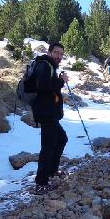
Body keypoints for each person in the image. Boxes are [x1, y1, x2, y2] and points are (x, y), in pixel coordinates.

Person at [30, 42, 69, 194]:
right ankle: (41, 183)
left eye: (61, 54)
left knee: (61, 139)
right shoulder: (44, 65)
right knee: (48, 146)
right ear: (50, 52)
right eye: (56, 52)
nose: (59, 56)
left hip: (49, 111)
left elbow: (48, 85)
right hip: (46, 112)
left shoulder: (49, 66)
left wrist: (58, 81)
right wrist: (61, 81)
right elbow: (43, 85)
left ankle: (52, 170)